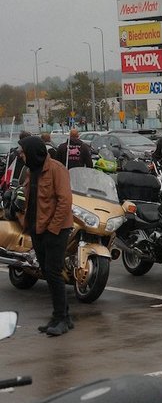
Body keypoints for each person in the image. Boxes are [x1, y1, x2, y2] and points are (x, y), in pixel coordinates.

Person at [17, 136, 74, 336]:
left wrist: (53, 229)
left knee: (53, 273)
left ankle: (61, 319)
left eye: (22, 152)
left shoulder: (57, 169)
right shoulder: (32, 171)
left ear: (33, 152)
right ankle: (62, 316)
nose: (20, 155)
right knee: (46, 272)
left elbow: (65, 201)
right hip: (37, 229)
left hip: (55, 230)